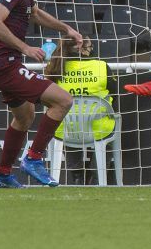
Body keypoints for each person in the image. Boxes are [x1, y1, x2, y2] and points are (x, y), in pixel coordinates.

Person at [0, 0, 84, 188]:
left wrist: (66, 29)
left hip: (4, 62)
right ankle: (34, 159)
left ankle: (3, 174)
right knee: (63, 101)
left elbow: (35, 13)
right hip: (4, 64)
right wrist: (26, 48)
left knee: (24, 116)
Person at [44, 37, 117, 185]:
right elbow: (115, 94)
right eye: (90, 46)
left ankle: (77, 177)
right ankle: (97, 178)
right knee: (107, 124)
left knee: (70, 122)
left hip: (65, 127)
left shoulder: (54, 67)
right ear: (82, 48)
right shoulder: (101, 66)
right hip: (99, 128)